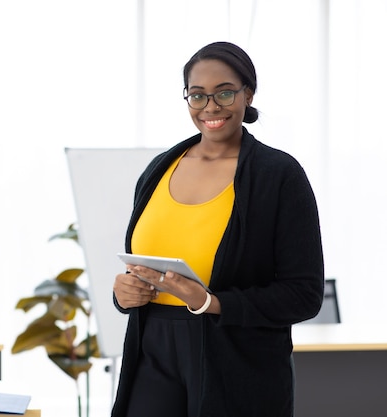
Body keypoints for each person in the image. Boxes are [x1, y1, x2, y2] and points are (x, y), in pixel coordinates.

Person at [111, 42, 324, 417]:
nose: (210, 107)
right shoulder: (158, 169)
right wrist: (124, 294)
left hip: (236, 359)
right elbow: (139, 265)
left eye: (224, 92)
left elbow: (304, 294)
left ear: (248, 94)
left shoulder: (279, 175)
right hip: (152, 349)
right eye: (197, 95)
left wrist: (211, 302)